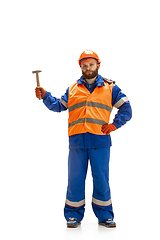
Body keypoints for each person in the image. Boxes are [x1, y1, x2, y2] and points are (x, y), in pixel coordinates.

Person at [35, 50, 132, 228]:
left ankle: (105, 216)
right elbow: (58, 106)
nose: (88, 68)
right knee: (75, 179)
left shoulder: (111, 87)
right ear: (80, 67)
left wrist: (115, 125)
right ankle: (73, 216)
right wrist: (45, 96)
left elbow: (126, 108)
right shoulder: (72, 89)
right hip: (77, 142)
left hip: (100, 142)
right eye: (84, 65)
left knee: (101, 179)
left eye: (91, 64)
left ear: (98, 65)